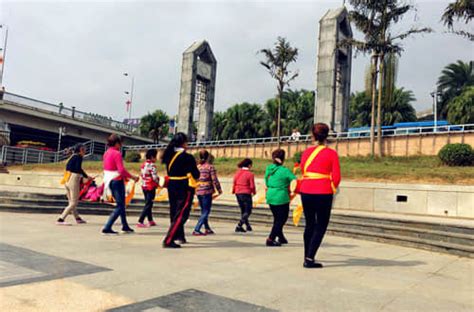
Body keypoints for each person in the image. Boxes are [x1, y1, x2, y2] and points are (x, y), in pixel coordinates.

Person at [299, 123, 341, 268]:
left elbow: (303, 169)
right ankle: (310, 258)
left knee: (309, 224)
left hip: (306, 190)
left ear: (313, 135)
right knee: (321, 224)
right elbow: (336, 177)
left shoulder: (306, 153)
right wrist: (332, 188)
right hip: (323, 191)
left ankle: (307, 255)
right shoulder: (331, 153)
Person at [161, 132, 200, 248]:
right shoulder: (187, 157)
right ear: (183, 143)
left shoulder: (168, 155)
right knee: (182, 213)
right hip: (183, 186)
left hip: (172, 185)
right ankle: (169, 239)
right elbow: (196, 174)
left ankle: (180, 235)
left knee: (175, 212)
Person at [101, 134, 139, 235]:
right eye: (120, 143)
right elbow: (121, 170)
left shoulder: (106, 153)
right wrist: (133, 177)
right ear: (117, 143)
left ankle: (125, 225)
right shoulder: (117, 153)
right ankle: (107, 227)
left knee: (121, 204)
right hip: (117, 180)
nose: (121, 145)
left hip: (109, 180)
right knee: (120, 205)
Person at [264, 149, 296, 247]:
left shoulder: (269, 169)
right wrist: (292, 191)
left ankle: (281, 237)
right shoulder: (285, 170)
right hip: (281, 196)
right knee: (282, 219)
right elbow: (294, 180)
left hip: (270, 195)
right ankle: (271, 238)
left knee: (277, 218)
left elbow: (266, 181)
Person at [56, 144, 92, 225]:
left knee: (71, 202)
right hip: (73, 180)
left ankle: (77, 218)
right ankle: (61, 219)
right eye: (84, 150)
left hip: (67, 179)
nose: (85, 151)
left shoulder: (72, 157)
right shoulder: (79, 157)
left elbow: (71, 168)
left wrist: (85, 176)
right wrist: (86, 176)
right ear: (80, 150)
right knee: (74, 202)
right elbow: (78, 169)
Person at [193, 150, 223, 236]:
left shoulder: (197, 167)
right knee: (206, 211)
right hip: (207, 191)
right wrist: (219, 189)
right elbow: (214, 180)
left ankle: (207, 228)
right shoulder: (210, 167)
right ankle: (197, 229)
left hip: (198, 190)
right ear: (208, 157)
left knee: (203, 210)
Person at [137, 149, 159, 228]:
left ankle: (150, 220)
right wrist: (158, 181)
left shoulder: (143, 165)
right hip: (151, 186)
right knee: (149, 204)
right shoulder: (152, 165)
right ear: (152, 157)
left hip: (144, 186)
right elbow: (154, 177)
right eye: (155, 157)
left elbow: (142, 175)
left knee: (148, 203)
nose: (156, 159)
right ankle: (140, 220)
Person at [232, 158, 256, 233]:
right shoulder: (250, 174)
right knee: (248, 210)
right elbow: (252, 186)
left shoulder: (237, 173)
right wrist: (254, 192)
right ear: (249, 165)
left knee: (243, 210)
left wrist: (234, 191)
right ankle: (239, 225)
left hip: (238, 192)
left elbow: (234, 182)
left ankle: (248, 226)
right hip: (246, 193)